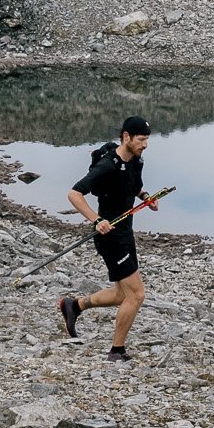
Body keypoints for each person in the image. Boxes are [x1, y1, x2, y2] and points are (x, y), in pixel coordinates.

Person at [59, 116, 151, 359]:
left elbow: (132, 186)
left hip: (125, 232)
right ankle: (116, 350)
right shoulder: (107, 165)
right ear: (126, 137)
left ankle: (75, 305)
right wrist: (96, 220)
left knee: (122, 294)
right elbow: (75, 193)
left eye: (147, 140)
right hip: (110, 237)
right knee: (137, 295)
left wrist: (144, 197)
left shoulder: (135, 160)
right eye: (141, 140)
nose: (145, 145)